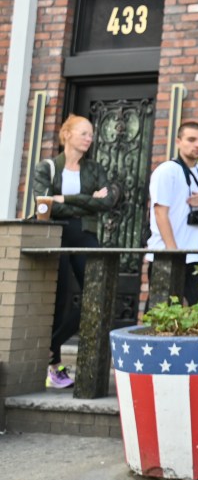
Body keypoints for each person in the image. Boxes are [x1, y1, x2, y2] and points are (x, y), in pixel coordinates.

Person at [30, 114, 118, 389]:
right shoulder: (46, 167)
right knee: (60, 298)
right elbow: (45, 206)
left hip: (85, 235)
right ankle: (54, 366)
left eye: (91, 134)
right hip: (55, 235)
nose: (89, 138)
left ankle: (51, 345)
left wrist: (65, 199)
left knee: (96, 294)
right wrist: (86, 202)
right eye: (84, 133)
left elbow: (107, 203)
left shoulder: (94, 169)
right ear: (66, 134)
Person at [146, 120, 198, 306]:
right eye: (191, 139)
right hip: (168, 254)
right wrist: (174, 252)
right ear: (178, 142)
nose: (197, 145)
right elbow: (160, 213)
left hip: (197, 254)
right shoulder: (167, 171)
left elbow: (195, 206)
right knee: (160, 313)